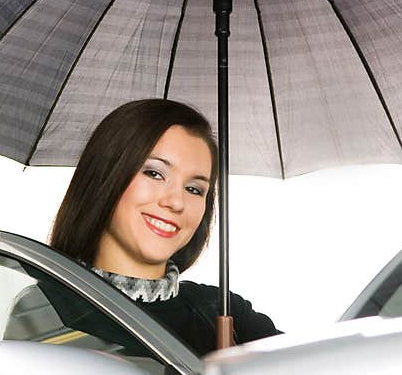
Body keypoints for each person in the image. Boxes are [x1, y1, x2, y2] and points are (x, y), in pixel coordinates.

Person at [50, 99, 280, 357]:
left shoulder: (225, 312)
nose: (175, 202)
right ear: (106, 174)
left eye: (194, 189)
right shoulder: (48, 305)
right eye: (154, 173)